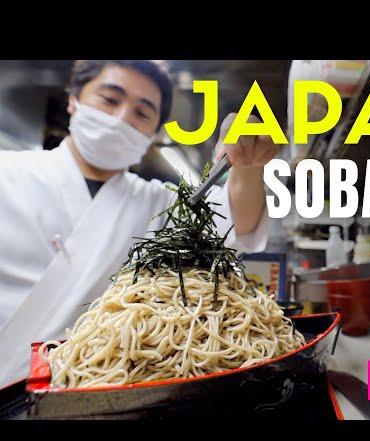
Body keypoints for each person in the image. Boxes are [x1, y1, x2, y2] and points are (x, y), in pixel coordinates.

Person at [0, 60, 279, 388]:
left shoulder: (156, 202)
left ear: (152, 134)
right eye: (109, 99)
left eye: (142, 113)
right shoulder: (7, 173)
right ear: (73, 99)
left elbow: (238, 224)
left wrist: (247, 166)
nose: (122, 119)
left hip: (107, 390)